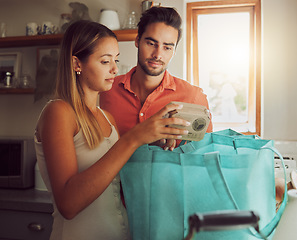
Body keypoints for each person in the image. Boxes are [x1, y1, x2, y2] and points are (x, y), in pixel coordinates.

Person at [34, 20, 190, 240]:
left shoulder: (106, 117)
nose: (115, 69)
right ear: (77, 64)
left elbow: (112, 175)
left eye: (115, 60)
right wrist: (134, 137)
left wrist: (151, 141)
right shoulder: (58, 111)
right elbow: (68, 205)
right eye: (105, 61)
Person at [100, 6, 213, 151]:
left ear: (174, 51)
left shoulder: (195, 98)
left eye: (167, 47)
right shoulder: (106, 89)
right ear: (137, 41)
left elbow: (204, 158)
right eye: (151, 43)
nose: (158, 54)